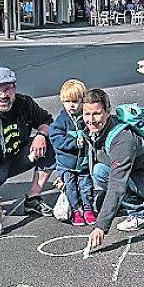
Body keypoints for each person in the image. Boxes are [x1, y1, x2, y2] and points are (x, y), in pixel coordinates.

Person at [84, 89, 144, 250]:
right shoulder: (97, 129)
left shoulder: (122, 140)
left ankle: (142, 215)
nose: (91, 120)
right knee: (100, 171)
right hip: (141, 173)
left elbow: (117, 184)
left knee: (110, 179)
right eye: (87, 114)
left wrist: (101, 226)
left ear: (107, 112)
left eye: (97, 114)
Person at [0, 66, 56, 220]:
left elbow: (47, 120)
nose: (3, 95)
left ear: (14, 89)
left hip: (14, 156)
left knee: (50, 141)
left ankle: (33, 198)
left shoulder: (24, 103)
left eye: (7, 89)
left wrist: (41, 135)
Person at [48, 79, 95, 226]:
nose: (71, 105)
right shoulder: (62, 120)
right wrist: (73, 143)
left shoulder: (85, 118)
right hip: (67, 164)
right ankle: (76, 210)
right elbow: (56, 138)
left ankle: (88, 209)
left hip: (83, 163)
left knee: (86, 186)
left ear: (82, 100)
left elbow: (93, 131)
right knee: (71, 188)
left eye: (75, 101)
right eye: (67, 102)